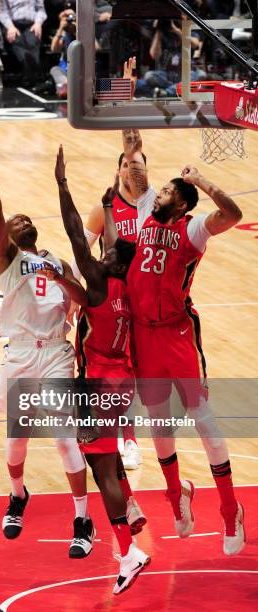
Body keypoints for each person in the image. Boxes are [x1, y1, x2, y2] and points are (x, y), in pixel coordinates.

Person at [0, 134, 95, 560]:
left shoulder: (57, 261)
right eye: (12, 221)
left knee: (63, 438)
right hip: (19, 352)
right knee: (17, 438)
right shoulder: (7, 260)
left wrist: (61, 277)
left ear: (33, 230)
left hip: (55, 351)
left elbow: (83, 297)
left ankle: (82, 519)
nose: (17, 220)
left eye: (23, 218)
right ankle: (18, 495)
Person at [122, 128, 245, 555]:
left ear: (182, 200)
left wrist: (202, 182)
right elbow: (135, 169)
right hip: (143, 335)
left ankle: (231, 509)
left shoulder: (193, 230)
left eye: (167, 191)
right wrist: (129, 135)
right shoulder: (143, 214)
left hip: (176, 333)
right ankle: (178, 497)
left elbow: (233, 213)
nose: (157, 195)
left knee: (203, 419)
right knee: (159, 424)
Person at [55, 144, 151, 596]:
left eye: (109, 252)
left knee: (101, 470)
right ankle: (129, 519)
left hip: (100, 384)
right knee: (106, 462)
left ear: (112, 262)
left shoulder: (97, 282)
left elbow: (77, 234)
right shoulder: (125, 281)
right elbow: (113, 244)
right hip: (122, 377)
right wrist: (112, 203)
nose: (103, 251)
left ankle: (129, 551)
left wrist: (62, 186)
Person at [70, 84, 143, 470]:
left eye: (137, 165)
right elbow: (81, 251)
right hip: (106, 302)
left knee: (128, 372)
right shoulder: (105, 208)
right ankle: (104, 434)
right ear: (117, 171)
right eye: (127, 165)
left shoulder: (151, 209)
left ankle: (128, 440)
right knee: (95, 372)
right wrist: (72, 298)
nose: (131, 170)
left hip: (138, 301)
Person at [0, 0, 47, 87]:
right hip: (12, 24)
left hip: (32, 23)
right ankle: (33, 75)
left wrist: (38, 23)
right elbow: (1, 11)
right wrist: (10, 27)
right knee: (18, 43)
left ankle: (31, 74)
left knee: (32, 42)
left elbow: (41, 10)